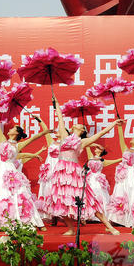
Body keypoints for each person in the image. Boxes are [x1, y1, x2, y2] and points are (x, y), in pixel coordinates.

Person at [42, 96, 122, 236]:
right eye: (77, 124)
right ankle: (71, 228)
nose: (78, 125)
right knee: (60, 200)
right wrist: (57, 104)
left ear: (83, 130)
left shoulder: (83, 141)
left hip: (73, 171)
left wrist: (114, 123)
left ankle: (109, 226)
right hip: (61, 171)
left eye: (81, 126)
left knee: (87, 199)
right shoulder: (64, 136)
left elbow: (101, 133)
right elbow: (60, 119)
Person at [0, 109, 48, 232]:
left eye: (13, 128)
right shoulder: (2, 141)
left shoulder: (17, 146)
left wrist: (44, 132)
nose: (10, 128)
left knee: (18, 193)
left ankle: (36, 222)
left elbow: (34, 138)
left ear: (16, 133)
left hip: (9, 170)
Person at [85, 143, 121, 220]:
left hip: (98, 180)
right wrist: (91, 140)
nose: (96, 149)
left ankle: (100, 216)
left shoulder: (103, 161)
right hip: (89, 179)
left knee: (100, 195)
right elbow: (87, 145)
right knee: (89, 195)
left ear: (102, 151)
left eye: (98, 148)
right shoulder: (90, 157)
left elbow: (115, 161)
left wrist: (122, 159)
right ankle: (89, 215)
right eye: (96, 148)